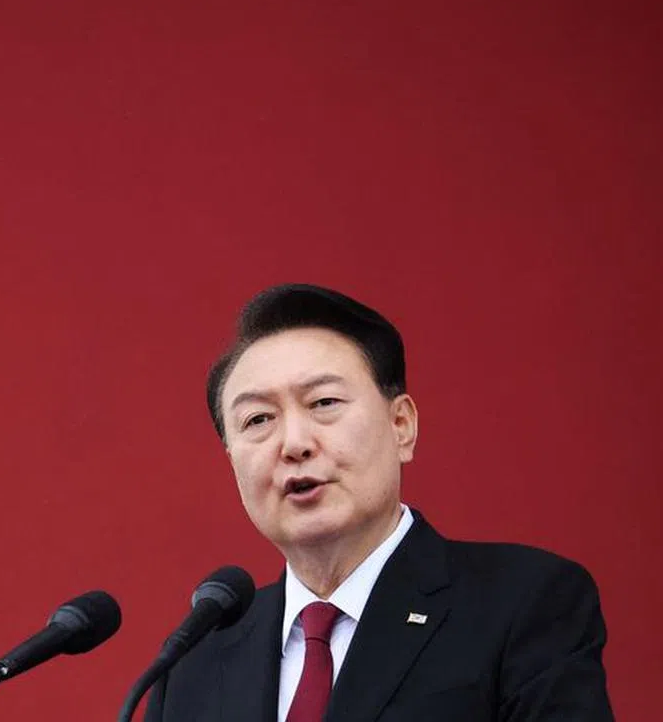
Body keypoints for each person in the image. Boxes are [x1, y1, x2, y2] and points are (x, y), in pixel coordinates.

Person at [145, 284, 614, 721]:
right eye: (258, 419)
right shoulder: (192, 665)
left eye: (324, 403)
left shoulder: (522, 602)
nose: (294, 443)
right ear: (232, 460)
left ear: (401, 425)